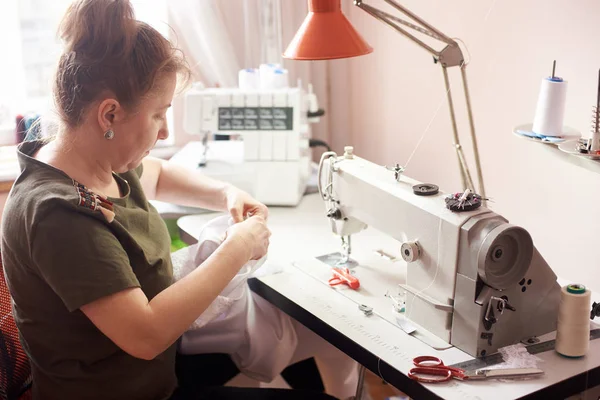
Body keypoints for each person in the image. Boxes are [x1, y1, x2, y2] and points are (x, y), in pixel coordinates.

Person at [0, 1, 353, 399]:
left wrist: (227, 194)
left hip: (155, 364)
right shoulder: (58, 216)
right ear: (110, 115)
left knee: (300, 338)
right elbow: (146, 334)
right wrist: (237, 246)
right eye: (158, 115)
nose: (166, 132)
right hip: (130, 389)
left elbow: (160, 176)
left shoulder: (92, 158)